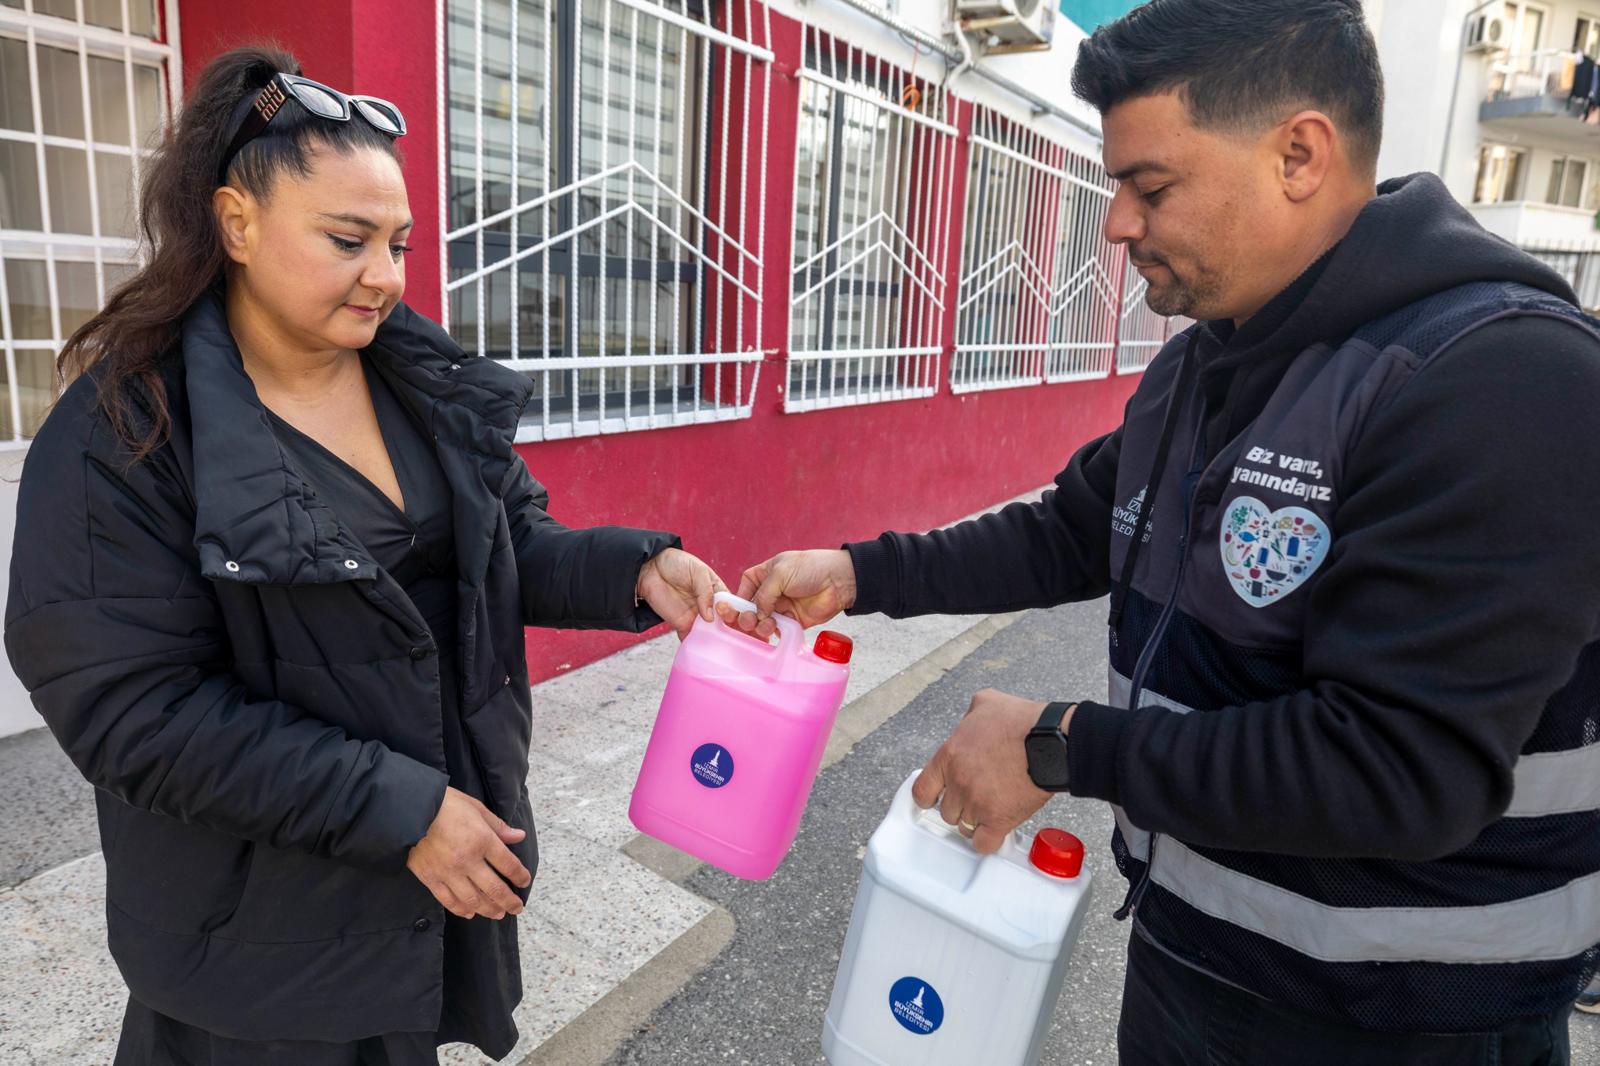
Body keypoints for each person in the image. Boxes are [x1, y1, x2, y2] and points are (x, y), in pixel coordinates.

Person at [730, 1, 1600, 1062]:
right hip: (1196, 959)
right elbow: (1071, 531)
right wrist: (858, 573)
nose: (1116, 225)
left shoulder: (1504, 379)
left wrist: (1060, 745)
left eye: (1151, 187)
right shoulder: (1207, 361)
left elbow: (1397, 766)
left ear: (1298, 155)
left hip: (1410, 1020)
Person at [3, 45, 730, 1065]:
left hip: (414, 890)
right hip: (256, 929)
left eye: (399, 244)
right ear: (237, 223)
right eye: (348, 240)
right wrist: (402, 807)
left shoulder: (414, 383)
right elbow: (133, 711)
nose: (385, 277)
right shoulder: (127, 432)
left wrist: (638, 570)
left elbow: (506, 539)